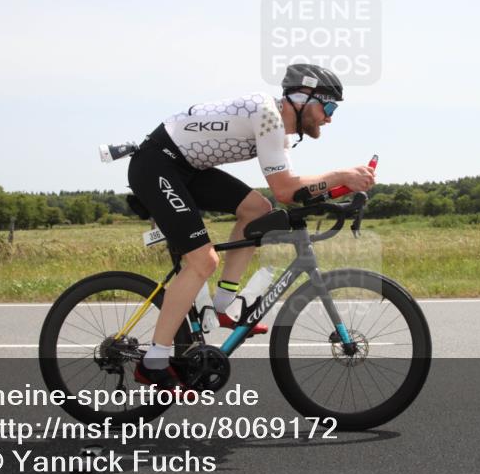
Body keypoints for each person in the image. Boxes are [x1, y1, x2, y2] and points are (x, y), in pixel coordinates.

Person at [125, 64, 376, 390]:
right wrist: (341, 176)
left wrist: (342, 195)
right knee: (204, 261)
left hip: (185, 167)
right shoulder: (267, 115)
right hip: (158, 165)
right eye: (328, 107)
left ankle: (221, 307)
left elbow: (293, 193)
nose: (330, 117)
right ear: (302, 99)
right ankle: (154, 361)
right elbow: (286, 189)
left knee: (257, 210)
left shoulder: (279, 134)